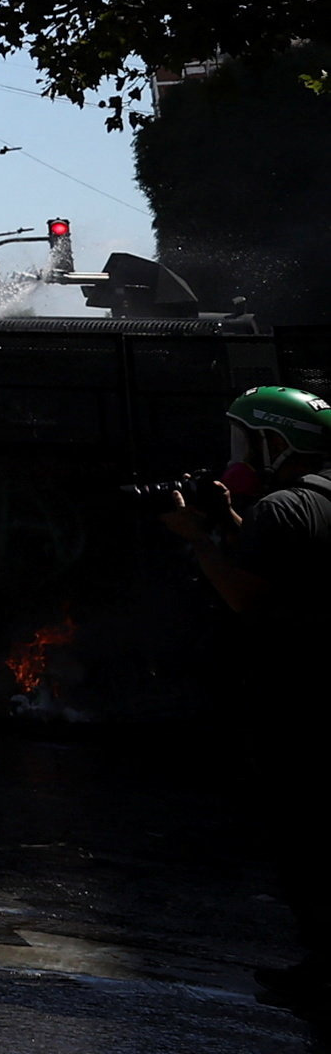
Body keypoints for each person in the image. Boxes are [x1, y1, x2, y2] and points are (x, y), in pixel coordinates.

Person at [160, 384, 331, 1011]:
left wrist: (197, 537)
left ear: (277, 443)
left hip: (301, 699)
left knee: (305, 841)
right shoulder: (312, 500)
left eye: (251, 440)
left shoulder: (281, 507)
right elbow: (289, 561)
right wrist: (232, 518)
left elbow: (245, 595)